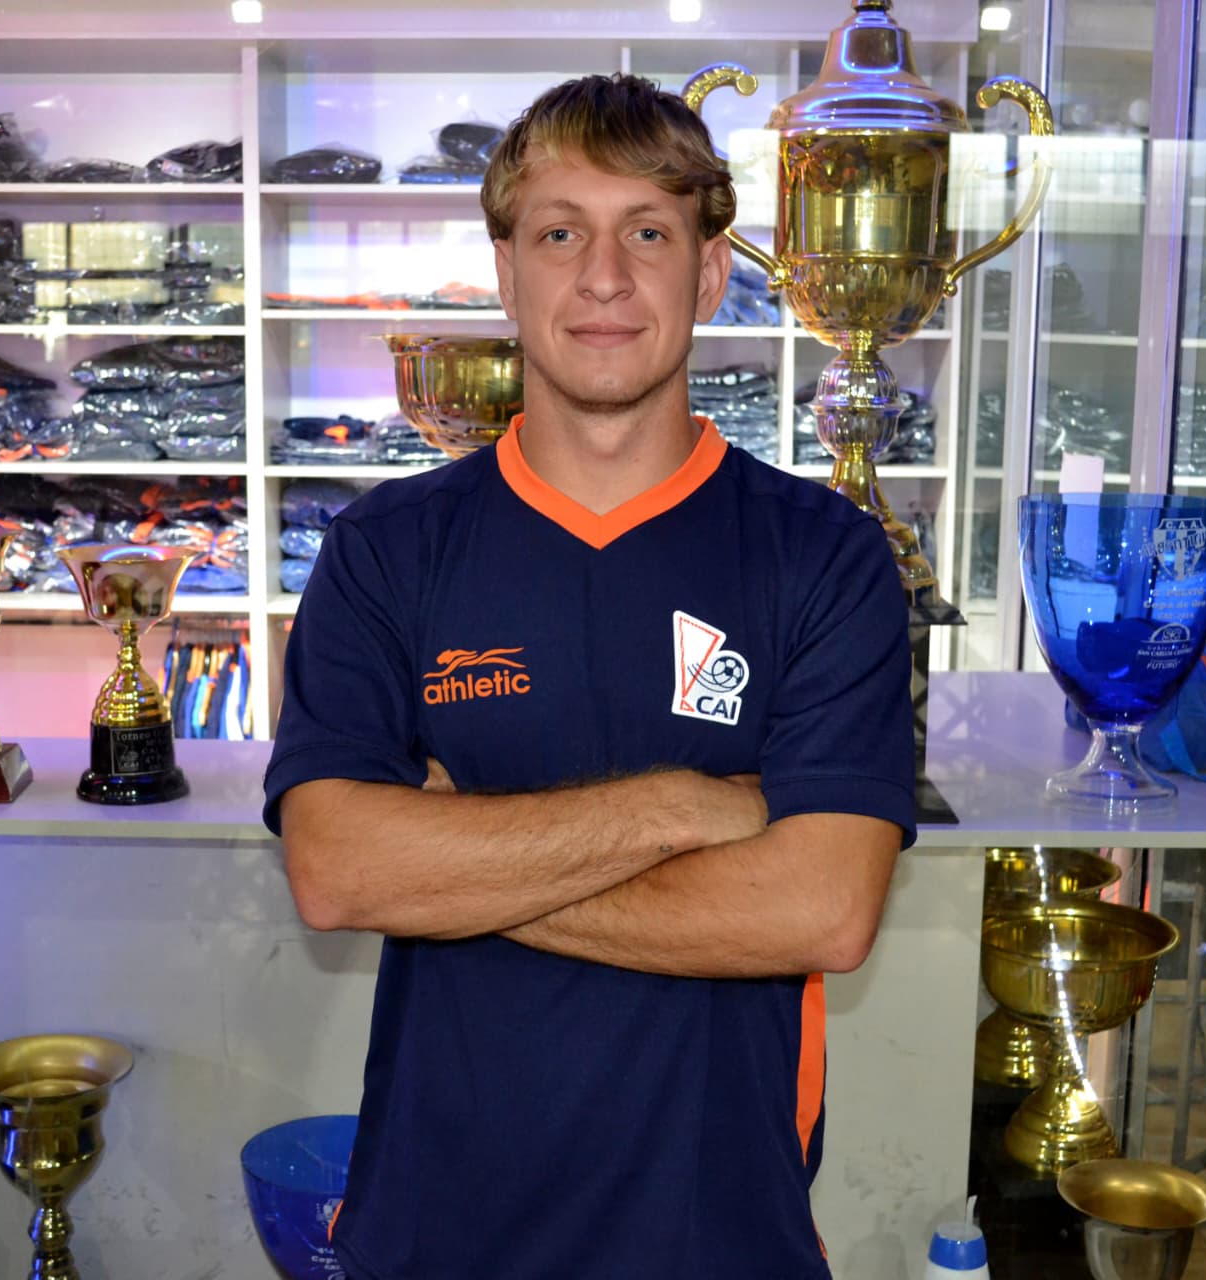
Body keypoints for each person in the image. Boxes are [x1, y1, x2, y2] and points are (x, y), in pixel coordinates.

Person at [263, 72, 916, 1280]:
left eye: (647, 233)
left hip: (720, 1238)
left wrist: (450, 857)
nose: (603, 277)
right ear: (506, 274)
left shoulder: (822, 555)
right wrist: (686, 806)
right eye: (559, 233)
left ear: (707, 275)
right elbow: (337, 869)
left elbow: (819, 908)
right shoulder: (385, 549)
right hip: (436, 1234)